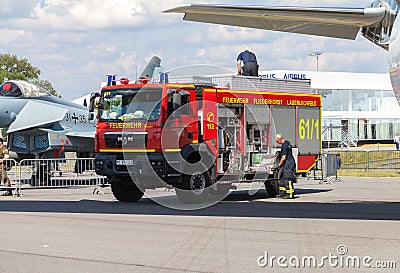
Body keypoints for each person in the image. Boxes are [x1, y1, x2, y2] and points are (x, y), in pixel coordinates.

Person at [275, 134, 296, 199]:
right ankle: (282, 193)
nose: (276, 142)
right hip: (288, 163)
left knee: (287, 179)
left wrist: (279, 165)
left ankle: (289, 194)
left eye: (277, 140)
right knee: (282, 178)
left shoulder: (284, 146)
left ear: (279, 139)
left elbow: (283, 157)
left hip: (288, 163)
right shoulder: (287, 143)